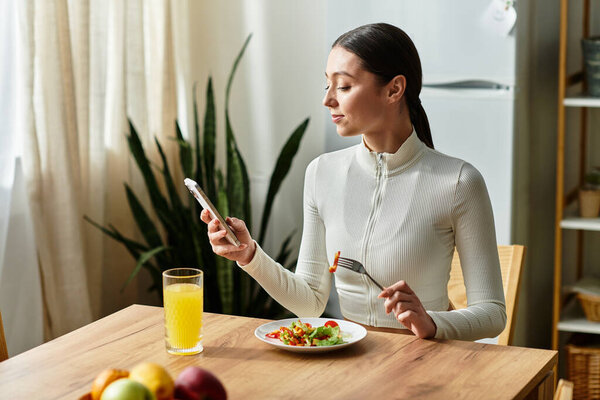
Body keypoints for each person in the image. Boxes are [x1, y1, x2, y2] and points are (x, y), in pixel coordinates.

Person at [200, 23, 506, 341]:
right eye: (327, 86)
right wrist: (249, 255)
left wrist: (432, 323)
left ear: (394, 89)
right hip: (348, 358)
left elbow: (492, 314)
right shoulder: (322, 173)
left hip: (424, 365)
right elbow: (310, 301)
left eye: (343, 86)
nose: (328, 100)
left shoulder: (458, 182)